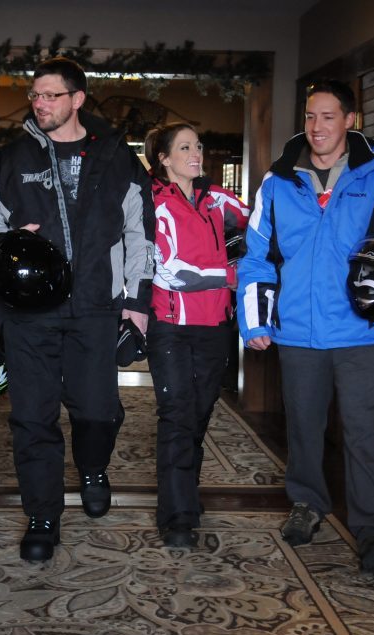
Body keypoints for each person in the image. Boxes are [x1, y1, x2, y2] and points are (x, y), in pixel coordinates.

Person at [236, 79, 374, 572]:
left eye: (328, 117)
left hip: (361, 331)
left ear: (350, 121)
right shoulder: (277, 182)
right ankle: (308, 503)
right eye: (310, 117)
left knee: (363, 431)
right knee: (303, 426)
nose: (317, 128)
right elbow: (255, 257)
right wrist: (256, 320)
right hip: (296, 330)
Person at [0, 57, 156, 562]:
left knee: (97, 411)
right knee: (32, 418)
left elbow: (141, 231)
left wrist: (137, 303)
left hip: (97, 308)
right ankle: (43, 517)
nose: (40, 104)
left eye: (52, 95)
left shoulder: (118, 157)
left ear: (77, 99)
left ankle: (94, 467)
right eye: (35, 95)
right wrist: (0, 243)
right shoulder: (11, 159)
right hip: (28, 311)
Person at [143, 123, 249, 548]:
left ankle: (183, 491)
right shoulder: (154, 202)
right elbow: (171, 272)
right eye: (185, 147)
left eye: (198, 146)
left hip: (214, 327)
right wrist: (231, 275)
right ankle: (178, 514)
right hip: (170, 327)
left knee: (199, 416)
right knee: (177, 415)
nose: (196, 153)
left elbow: (259, 224)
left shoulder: (217, 200)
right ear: (164, 159)